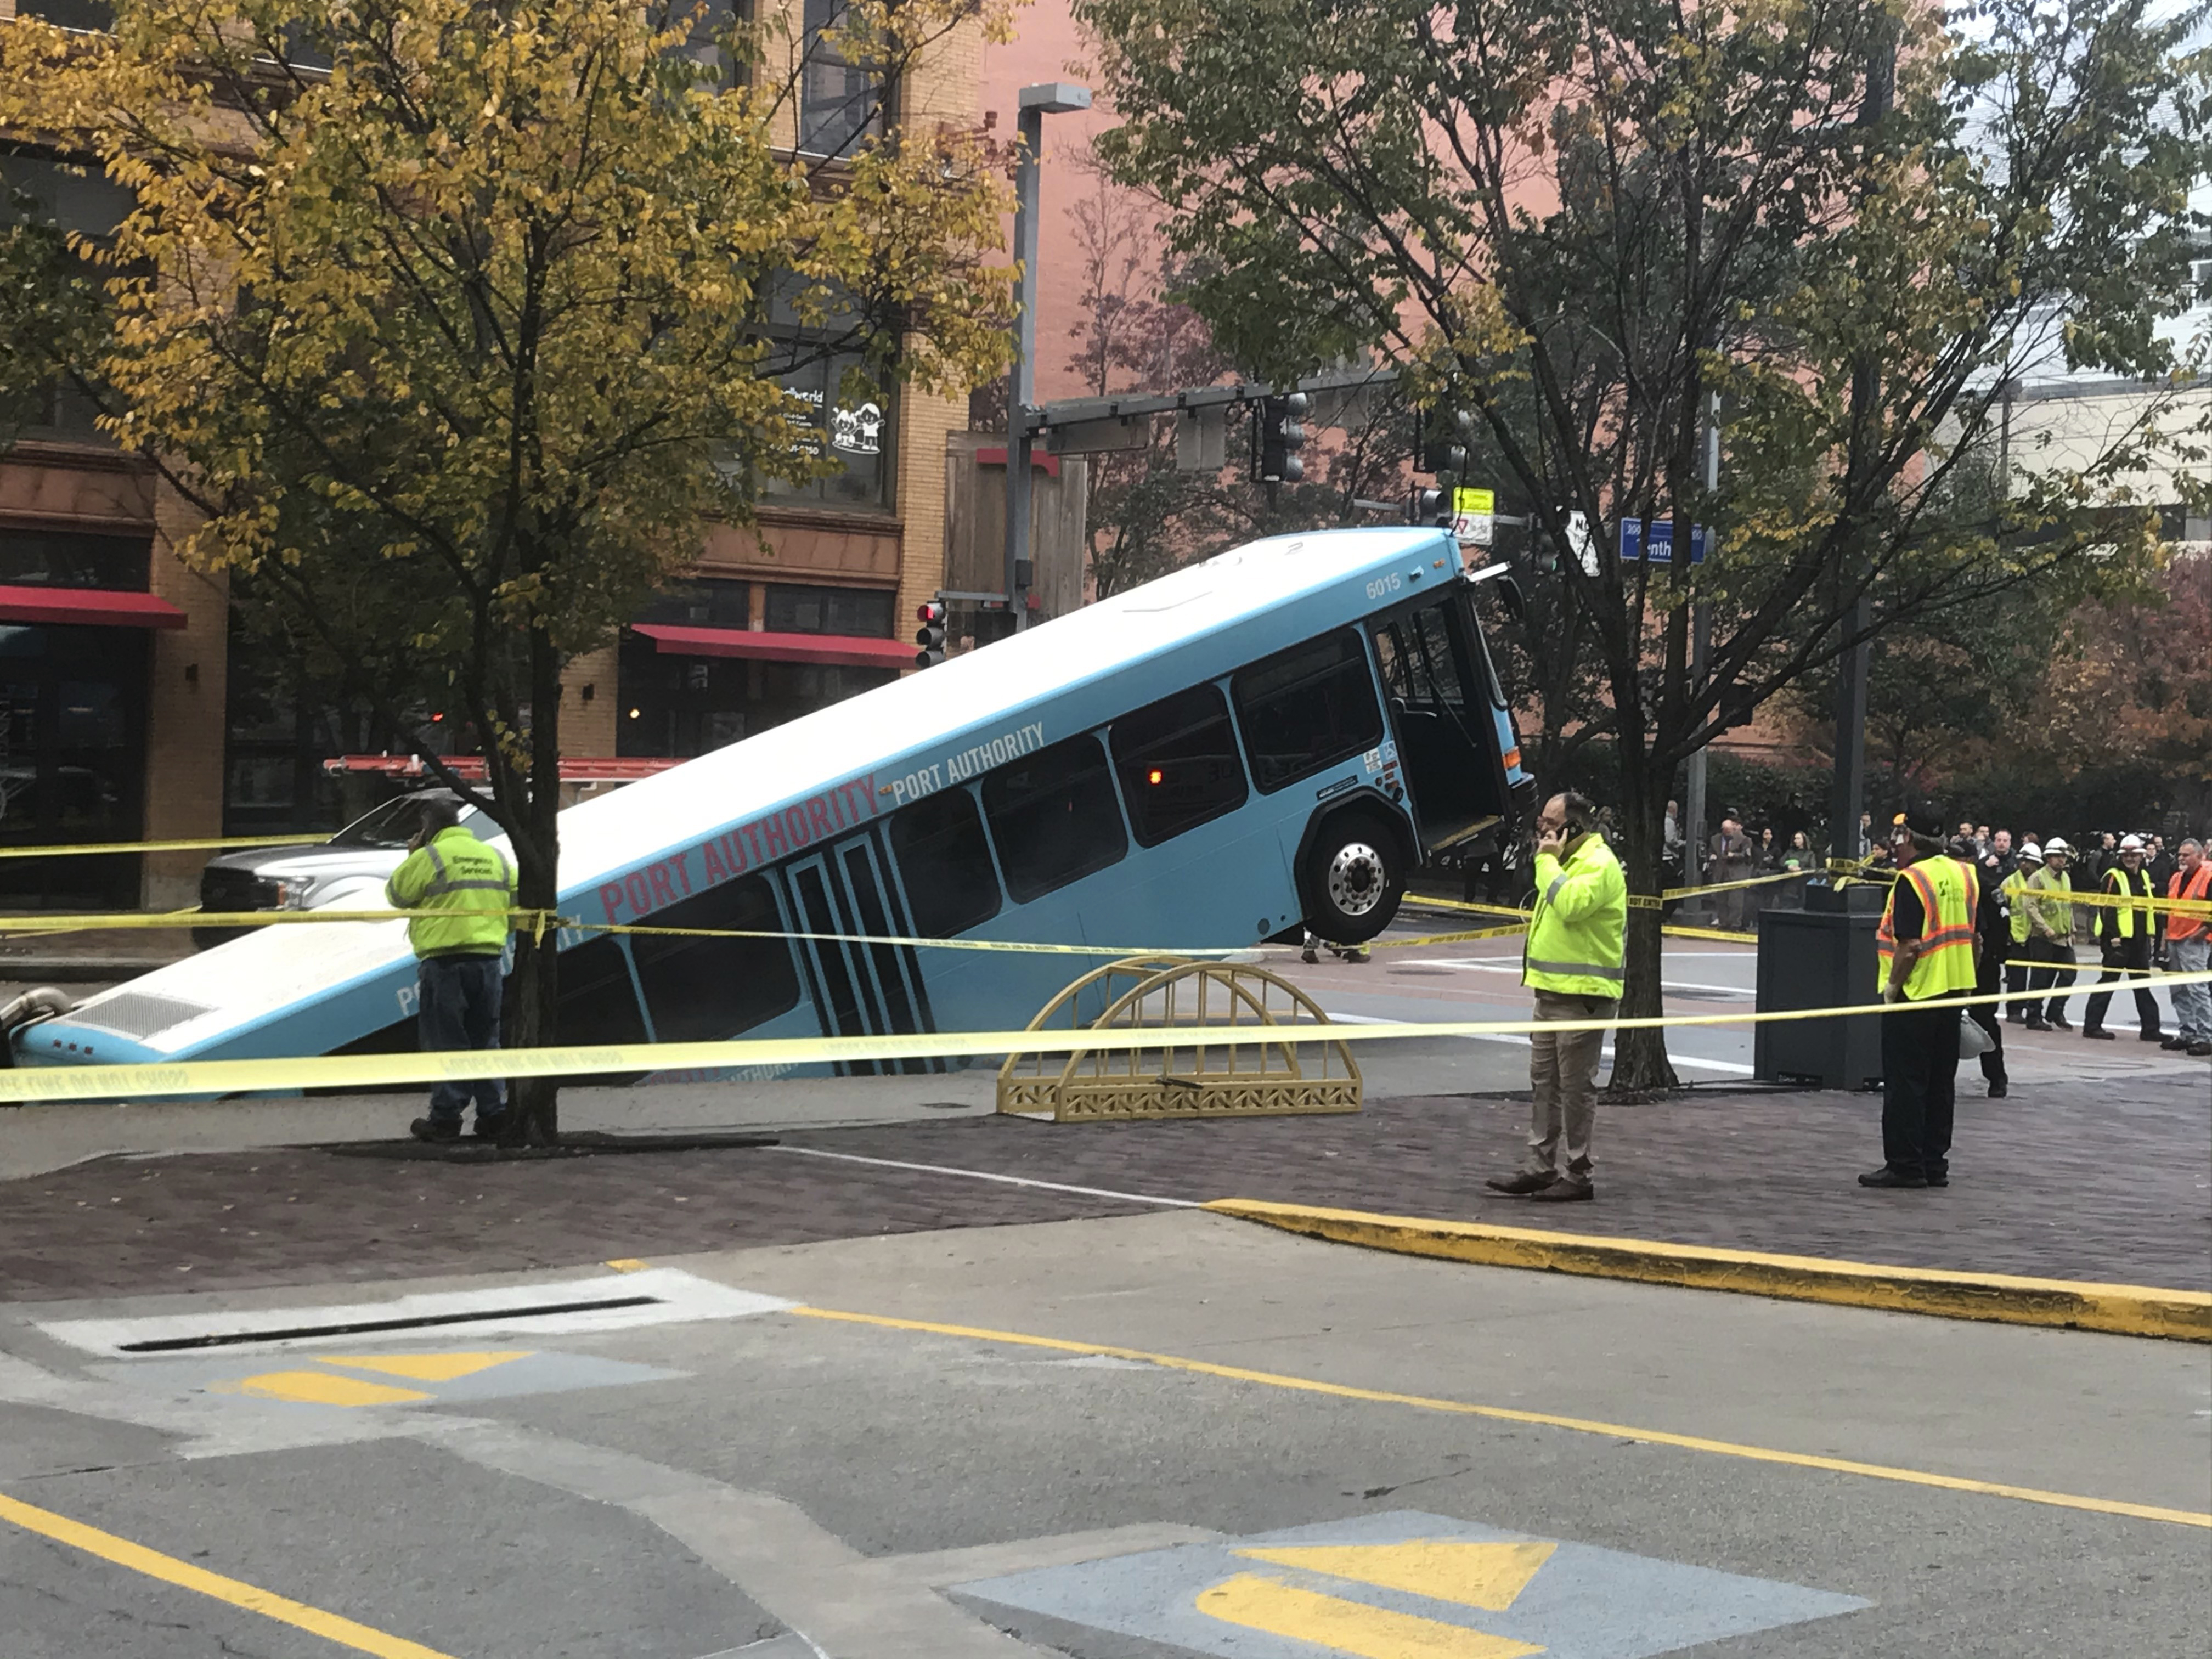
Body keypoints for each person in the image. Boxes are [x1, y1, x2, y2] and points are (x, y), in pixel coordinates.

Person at [1486, 790, 1627, 1204]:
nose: (1542, 829)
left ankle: (1578, 1174)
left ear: (1575, 827)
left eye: (1551, 822)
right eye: (1542, 822)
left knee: (1575, 1088)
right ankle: (1540, 1168)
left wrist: (1546, 860)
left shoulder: (1598, 865)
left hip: (1582, 997)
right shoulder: (1565, 862)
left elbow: (1569, 905)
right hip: (1550, 994)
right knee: (1544, 1084)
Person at [386, 797, 517, 1143]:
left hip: (444, 964)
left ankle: (446, 1118)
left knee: (446, 1040)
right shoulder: (494, 856)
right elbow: (517, 898)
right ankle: (493, 1114)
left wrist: (413, 854)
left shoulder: (430, 857)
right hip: (489, 961)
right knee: (486, 1038)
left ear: (428, 826)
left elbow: (396, 894)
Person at [1861, 815, 1979, 1188]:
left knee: (1906, 1083)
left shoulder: (1913, 879)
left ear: (1909, 835)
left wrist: (1893, 988)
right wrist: (1966, 985)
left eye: (1899, 834)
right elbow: (1976, 940)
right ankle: (1933, 1163)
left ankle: (1906, 1164)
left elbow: (1909, 945)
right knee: (1941, 1083)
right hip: (1952, 993)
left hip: (1916, 994)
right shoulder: (1966, 875)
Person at [2083, 833, 2164, 1042]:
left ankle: (2150, 1029)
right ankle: (2092, 1026)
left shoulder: (2144, 876)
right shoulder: (2113, 876)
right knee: (2108, 982)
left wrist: (2150, 936)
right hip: (2118, 941)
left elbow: (2147, 908)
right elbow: (2107, 909)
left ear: (2140, 855)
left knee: (2142, 984)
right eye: (2126, 855)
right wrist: (2115, 939)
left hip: (2138, 941)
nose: (2130, 858)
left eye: (2134, 854)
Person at [1955, 834, 2008, 1097]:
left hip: (1983, 966)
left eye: (1960, 859)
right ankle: (1942, 1077)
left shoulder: (1986, 888)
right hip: (1952, 962)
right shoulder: (1950, 888)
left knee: (1985, 1020)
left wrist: (1996, 958)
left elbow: (2000, 926)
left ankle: (1997, 1077)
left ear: (1971, 860)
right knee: (1946, 1022)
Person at [2162, 837, 2211, 1056]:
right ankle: (2188, 1033)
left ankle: (2206, 1036)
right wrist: (2164, 942)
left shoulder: (2208, 877)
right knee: (2179, 991)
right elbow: (2167, 911)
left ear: (2200, 856)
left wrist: (2202, 933)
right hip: (2174, 938)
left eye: (2186, 855)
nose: (2181, 858)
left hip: (2194, 940)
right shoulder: (2175, 879)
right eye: (2180, 854)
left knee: (2197, 990)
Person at [2022, 839, 2078, 1031]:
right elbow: (2031, 906)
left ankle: (2055, 1012)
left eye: (2064, 857)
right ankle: (2033, 1016)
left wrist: (2072, 929)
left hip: (2063, 937)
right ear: (2048, 858)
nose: (2061, 860)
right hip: (2043, 937)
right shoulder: (2038, 878)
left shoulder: (2066, 878)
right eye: (2058, 856)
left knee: (2069, 974)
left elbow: (2067, 905)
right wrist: (2045, 927)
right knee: (2041, 979)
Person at [2000, 843, 2039, 1022]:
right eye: (2023, 861)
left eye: (2029, 861)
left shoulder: (2041, 881)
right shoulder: (2010, 882)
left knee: (2039, 977)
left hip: (2038, 935)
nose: (2025, 865)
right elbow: (2001, 905)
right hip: (2017, 934)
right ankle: (2015, 1011)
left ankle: (2034, 1011)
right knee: (2018, 976)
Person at [1709, 813, 1752, 930]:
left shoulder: (1745, 840)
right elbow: (1711, 851)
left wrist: (1734, 855)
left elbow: (1747, 856)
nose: (1728, 833)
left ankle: (1735, 925)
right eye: (1726, 831)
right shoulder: (1715, 839)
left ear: (1734, 829)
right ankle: (1723, 923)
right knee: (1721, 902)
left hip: (1736, 874)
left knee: (1736, 903)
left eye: (1731, 831)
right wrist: (1712, 856)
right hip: (1720, 873)